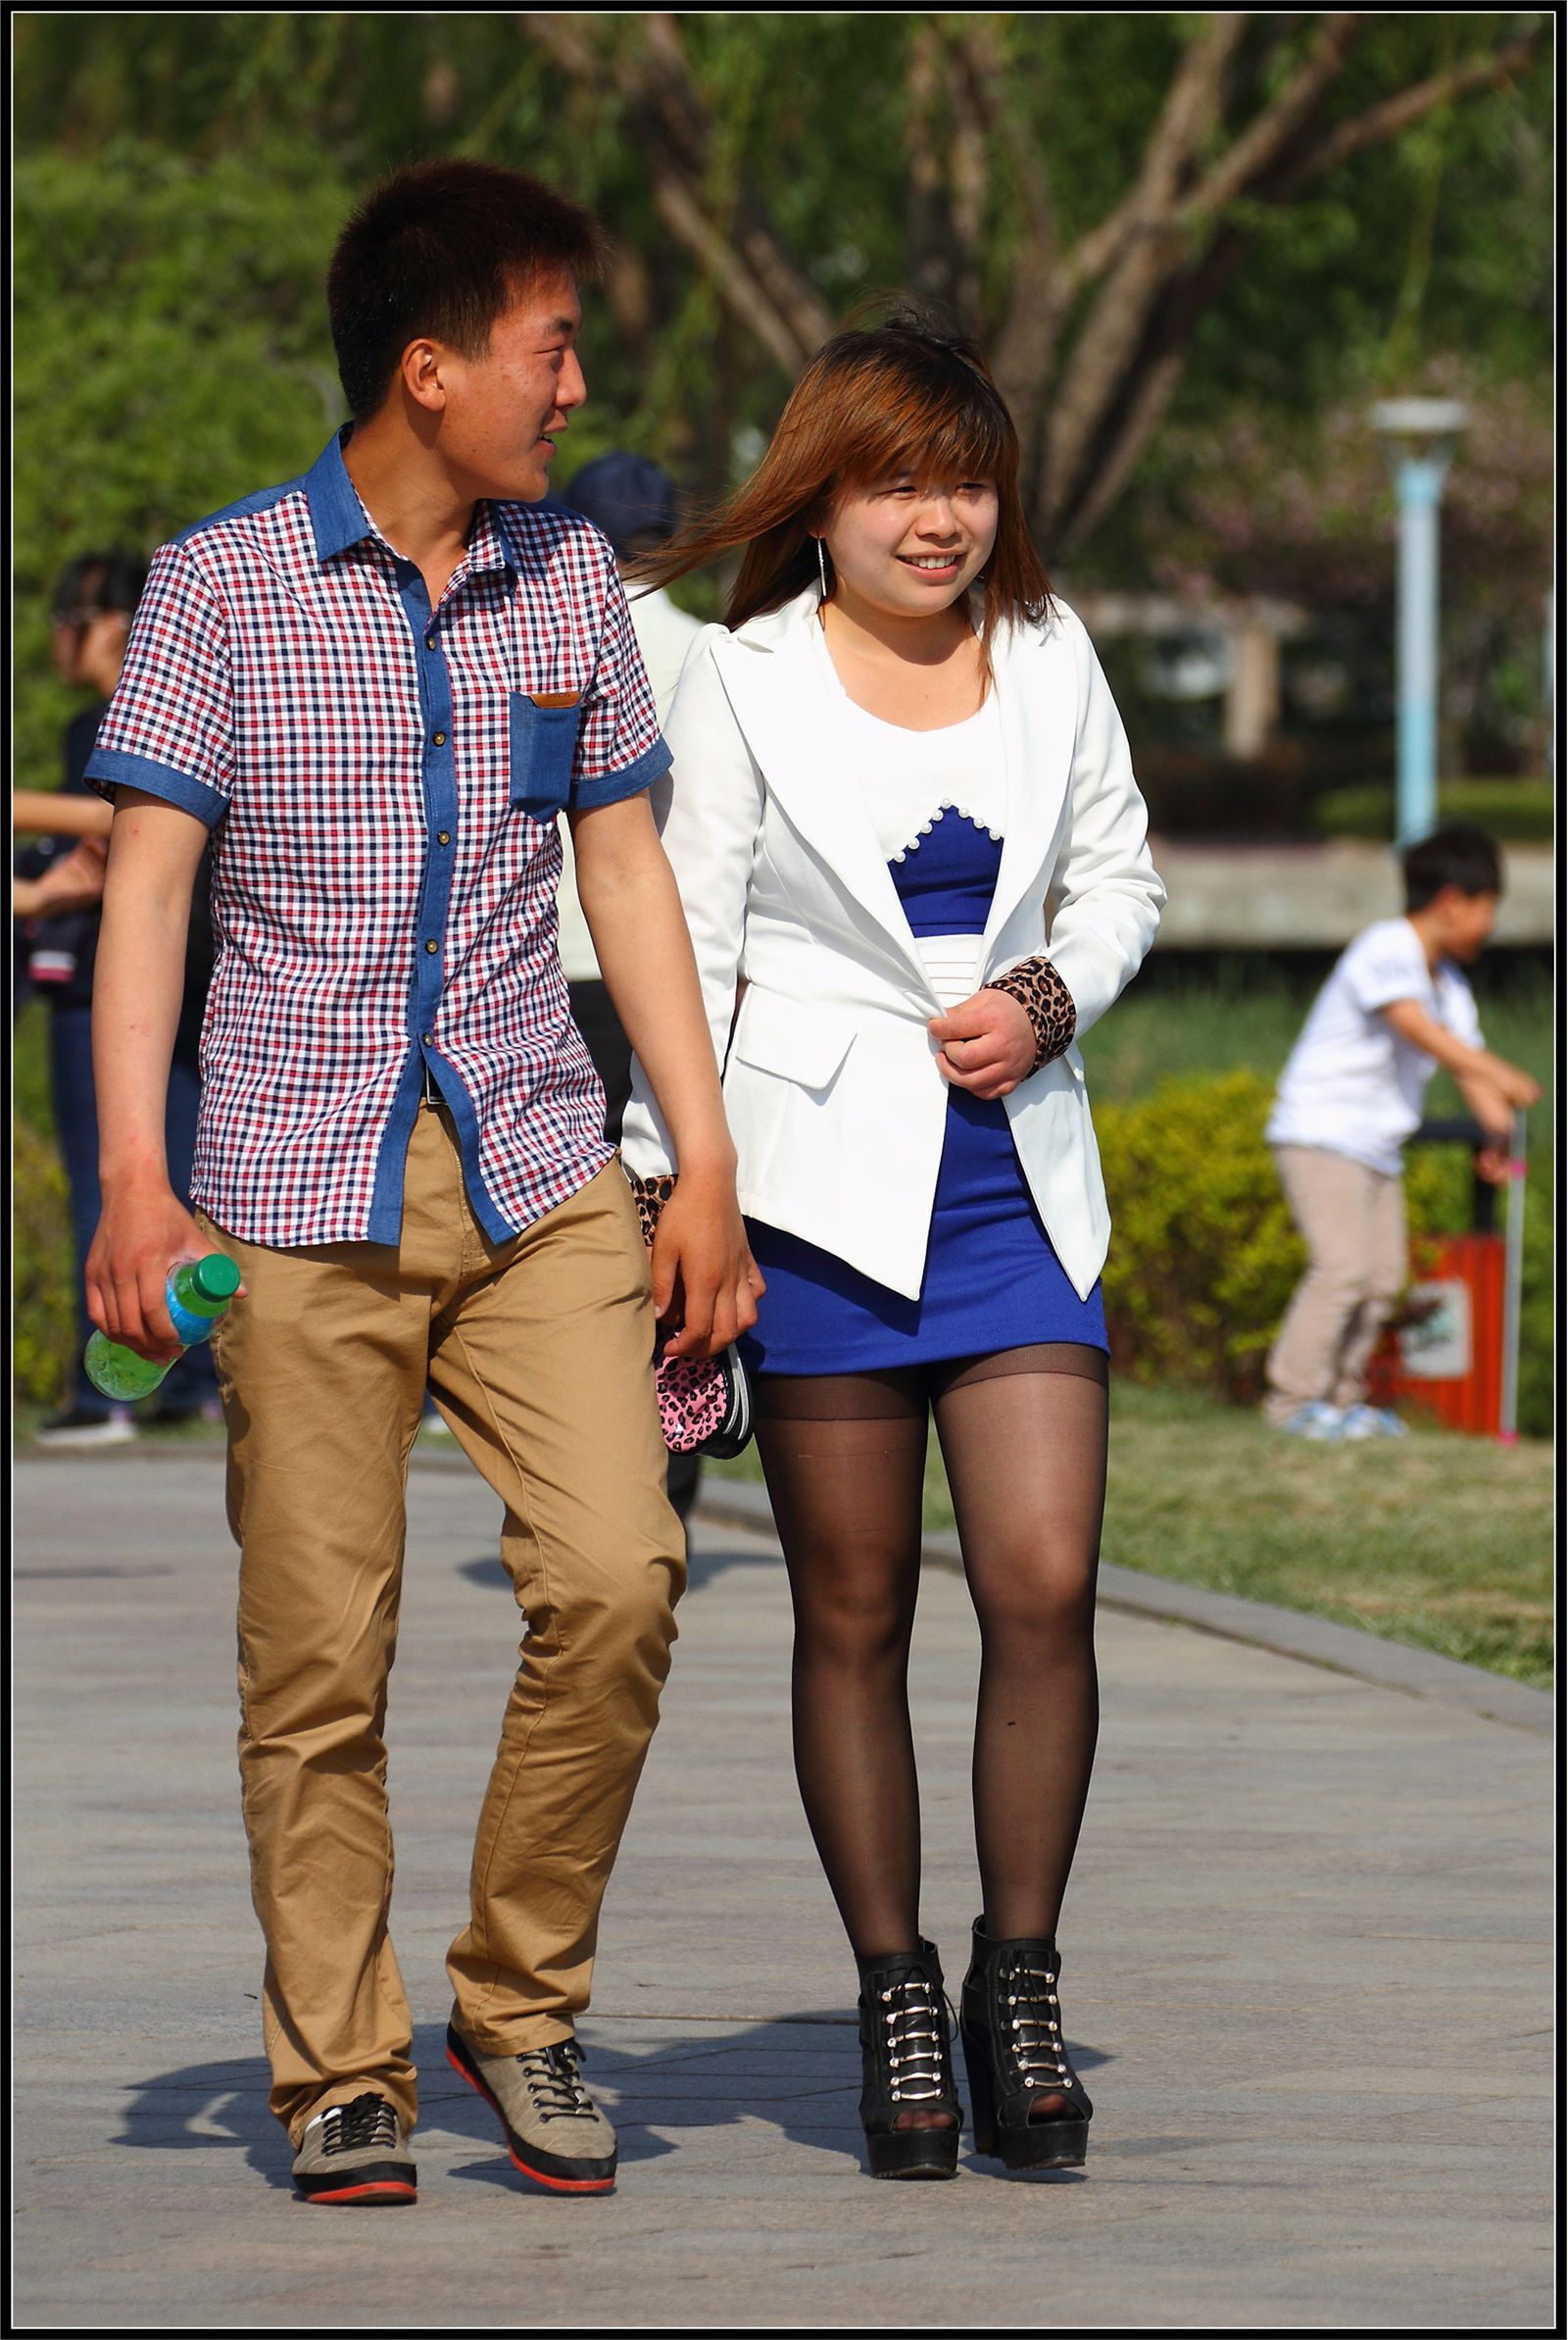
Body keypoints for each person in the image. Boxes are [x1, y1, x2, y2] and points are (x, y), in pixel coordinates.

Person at [84, 158, 759, 2208]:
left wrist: (699, 1158)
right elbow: (150, 887)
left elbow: (622, 868)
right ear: (429, 364)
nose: (575, 388)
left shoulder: (567, 577)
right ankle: (340, 2065)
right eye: (551, 347)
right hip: (291, 1184)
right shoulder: (217, 586)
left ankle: (517, 1999)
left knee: (622, 1573)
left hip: (539, 1157)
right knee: (319, 1652)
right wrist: (135, 1174)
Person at [620, 314, 1164, 2178]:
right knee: (851, 1610)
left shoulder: (1053, 649)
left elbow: (1120, 879)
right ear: (822, 494)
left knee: (1041, 1577)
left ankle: (1021, 1974)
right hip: (811, 1200)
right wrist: (667, 1186)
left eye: (966, 476)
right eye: (898, 478)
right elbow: (676, 945)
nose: (941, 515)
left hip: (1019, 1187)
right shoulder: (743, 675)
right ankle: (895, 1992)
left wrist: (1048, 993)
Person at [15, 551, 220, 1444]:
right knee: (161, 1180)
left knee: (132, 1175)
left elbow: (120, 822)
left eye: (77, 616)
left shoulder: (124, 717)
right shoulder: (137, 713)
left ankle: (116, 1391)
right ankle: (175, 1380)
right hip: (181, 976)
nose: (64, 634)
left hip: (127, 982)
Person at [1263, 823, 1540, 1441]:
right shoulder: (1385, 948)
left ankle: (1341, 1400)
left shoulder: (1451, 985)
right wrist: (1503, 1075)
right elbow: (1420, 1031)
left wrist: (1499, 1136)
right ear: (1452, 903)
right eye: (1488, 908)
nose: (1491, 924)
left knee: (1383, 1280)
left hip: (1376, 1149)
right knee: (1342, 1271)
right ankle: (1291, 1402)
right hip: (1321, 1136)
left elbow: (1465, 1062)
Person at [556, 452, 707, 1518]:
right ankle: (676, 1446)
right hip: (665, 970)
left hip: (550, 969)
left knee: (565, 1227)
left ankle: (575, 1450)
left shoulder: (546, 630)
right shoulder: (715, 654)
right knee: (664, 1204)